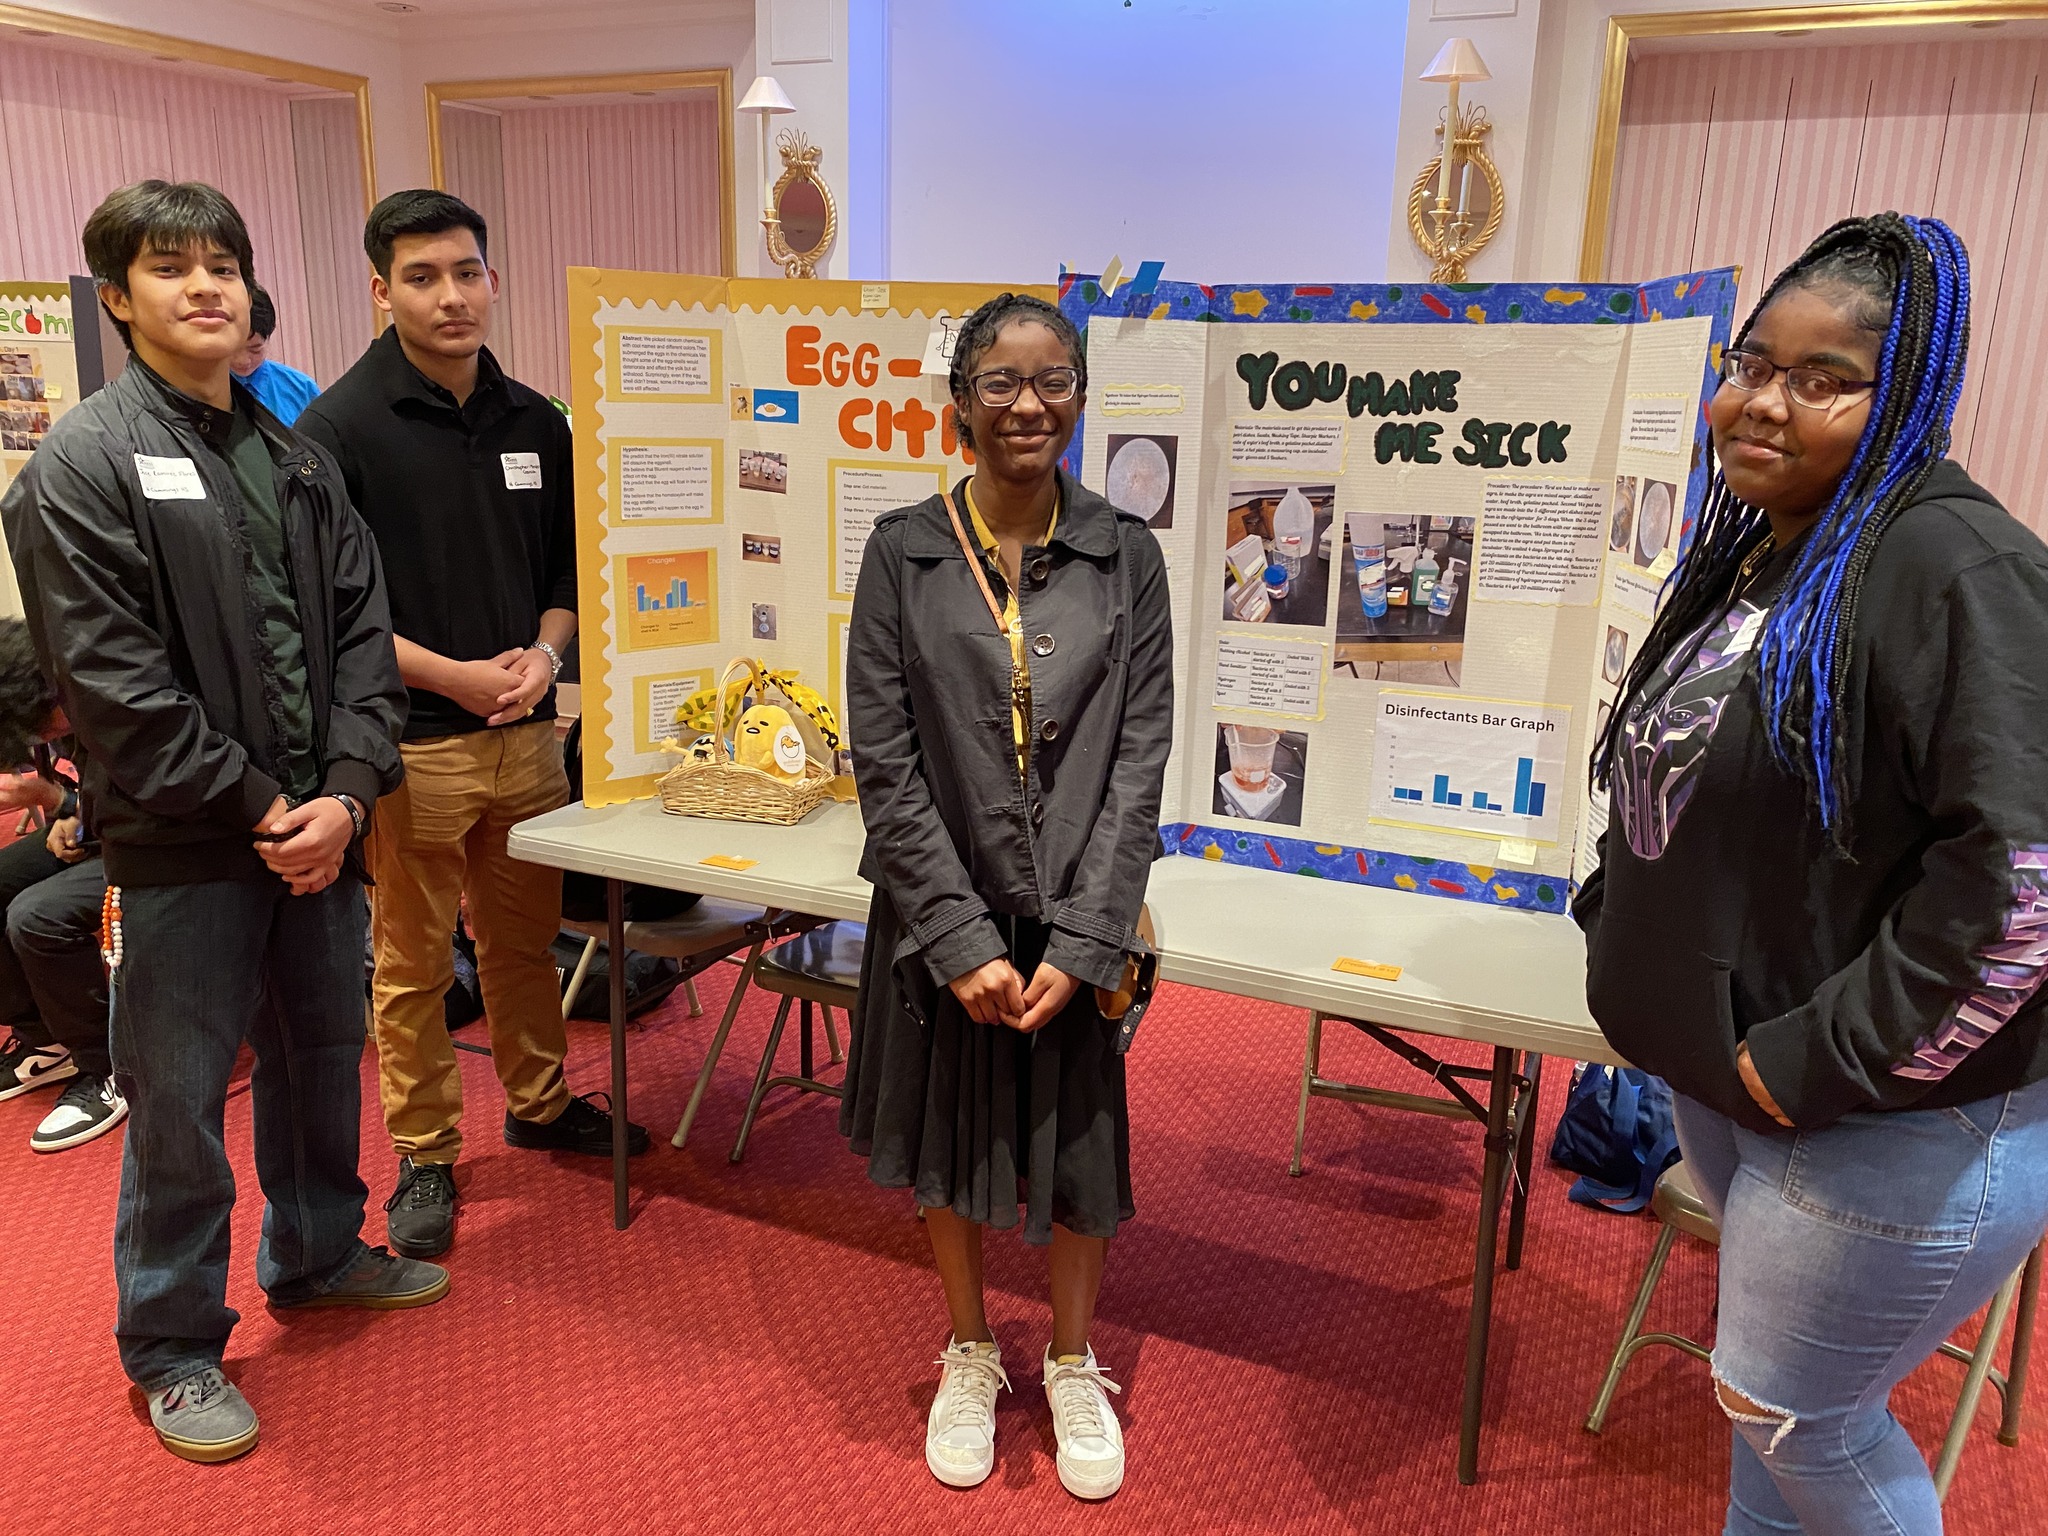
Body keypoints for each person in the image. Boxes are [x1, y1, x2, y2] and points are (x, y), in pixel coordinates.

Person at [1579, 213, 2048, 1536]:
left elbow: (2023, 892)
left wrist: (1803, 1062)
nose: (1763, 403)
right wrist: (1616, 920)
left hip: (1889, 1116)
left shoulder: (1959, 568)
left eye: (1824, 379)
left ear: (1904, 397)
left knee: (1805, 1420)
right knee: (1767, 1420)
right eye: (1751, 363)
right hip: (1739, 1076)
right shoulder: (1771, 543)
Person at [0, 179, 448, 1464]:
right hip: (194, 844)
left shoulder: (296, 457)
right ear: (119, 297)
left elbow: (365, 640)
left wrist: (349, 793)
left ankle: (316, 1254)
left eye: (222, 265)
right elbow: (112, 687)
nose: (204, 287)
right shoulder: (80, 464)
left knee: (322, 1057)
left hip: (323, 832)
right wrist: (267, 807)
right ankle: (173, 1343)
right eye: (170, 268)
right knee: (181, 1098)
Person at [840, 292, 1173, 1500]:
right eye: (1000, 382)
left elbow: (1141, 756)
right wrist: (955, 933)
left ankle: (1075, 1361)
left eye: (1053, 380)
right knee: (956, 1135)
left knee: (1079, 1144)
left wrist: (1089, 933)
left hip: (1081, 901)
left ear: (1078, 396)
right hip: (951, 910)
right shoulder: (902, 550)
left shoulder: (1126, 553)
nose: (1028, 405)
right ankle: (971, 1347)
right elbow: (884, 757)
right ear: (958, 404)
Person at [298, 189, 639, 1265]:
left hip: (527, 737)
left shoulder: (537, 421)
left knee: (526, 945)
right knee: (408, 967)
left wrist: (542, 659)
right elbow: (332, 611)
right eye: (422, 277)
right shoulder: (337, 429)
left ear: (494, 279)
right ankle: (426, 1152)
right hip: (411, 748)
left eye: (465, 272)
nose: (450, 296)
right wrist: (452, 675)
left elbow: (565, 574)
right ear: (380, 290)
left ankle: (538, 1102)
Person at [0, 619, 119, 1151]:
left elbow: (163, 797)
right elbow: (92, 793)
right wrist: (70, 809)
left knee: (37, 914)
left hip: (168, 843)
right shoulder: (60, 704)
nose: (43, 738)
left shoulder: (119, 693)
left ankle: (110, 1066)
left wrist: (58, 803)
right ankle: (45, 1038)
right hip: (109, 829)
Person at [229, 284, 319, 425]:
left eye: (255, 349)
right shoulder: (202, 390)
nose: (244, 361)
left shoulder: (302, 389)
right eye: (233, 349)